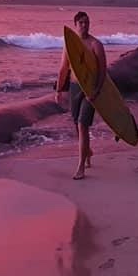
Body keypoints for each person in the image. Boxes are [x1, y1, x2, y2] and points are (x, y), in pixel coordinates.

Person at [55, 11, 106, 180]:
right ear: (75, 24)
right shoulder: (70, 45)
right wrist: (59, 90)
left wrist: (96, 91)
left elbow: (102, 72)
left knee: (82, 125)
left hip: (90, 90)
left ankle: (81, 166)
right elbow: (63, 68)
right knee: (77, 126)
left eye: (87, 22)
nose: (85, 25)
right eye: (81, 22)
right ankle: (88, 151)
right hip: (74, 88)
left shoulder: (95, 44)